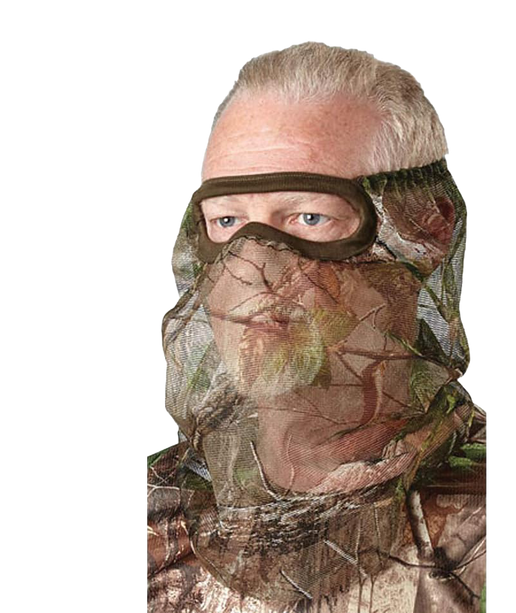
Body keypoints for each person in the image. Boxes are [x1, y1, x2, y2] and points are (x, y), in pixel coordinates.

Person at [145, 41, 489, 613]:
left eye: (310, 216)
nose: (254, 266)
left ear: (426, 227)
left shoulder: (477, 531)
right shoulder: (158, 523)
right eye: (227, 220)